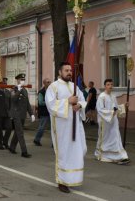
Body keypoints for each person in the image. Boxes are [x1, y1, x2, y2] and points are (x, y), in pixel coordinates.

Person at [45, 62, 87, 194]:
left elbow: (82, 99)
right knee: (64, 153)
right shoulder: (53, 87)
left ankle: (73, 178)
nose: (69, 72)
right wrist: (67, 102)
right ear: (59, 72)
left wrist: (79, 105)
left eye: (70, 70)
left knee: (80, 151)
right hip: (62, 128)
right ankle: (62, 181)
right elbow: (50, 105)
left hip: (76, 125)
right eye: (66, 70)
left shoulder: (74, 86)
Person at [95, 78, 130, 165]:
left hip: (113, 121)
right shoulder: (101, 97)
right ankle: (102, 154)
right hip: (105, 122)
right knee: (105, 139)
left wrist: (124, 106)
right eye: (108, 84)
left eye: (111, 84)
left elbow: (116, 108)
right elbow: (100, 109)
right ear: (105, 86)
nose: (110, 86)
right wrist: (111, 113)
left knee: (115, 138)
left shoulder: (113, 96)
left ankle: (120, 156)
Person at [8, 73, 35, 158]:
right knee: (20, 132)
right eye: (21, 80)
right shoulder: (14, 89)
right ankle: (24, 151)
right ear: (17, 80)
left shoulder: (25, 90)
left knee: (17, 132)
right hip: (16, 114)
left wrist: (31, 114)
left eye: (23, 80)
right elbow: (13, 99)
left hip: (22, 114)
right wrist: (18, 90)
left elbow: (27, 103)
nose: (22, 81)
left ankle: (12, 147)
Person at [34, 78, 51, 146]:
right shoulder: (41, 92)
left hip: (51, 111)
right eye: (48, 82)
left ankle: (54, 143)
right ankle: (36, 140)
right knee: (42, 127)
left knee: (54, 128)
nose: (49, 83)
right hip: (44, 112)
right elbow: (40, 102)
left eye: (50, 82)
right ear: (44, 83)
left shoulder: (52, 91)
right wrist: (49, 102)